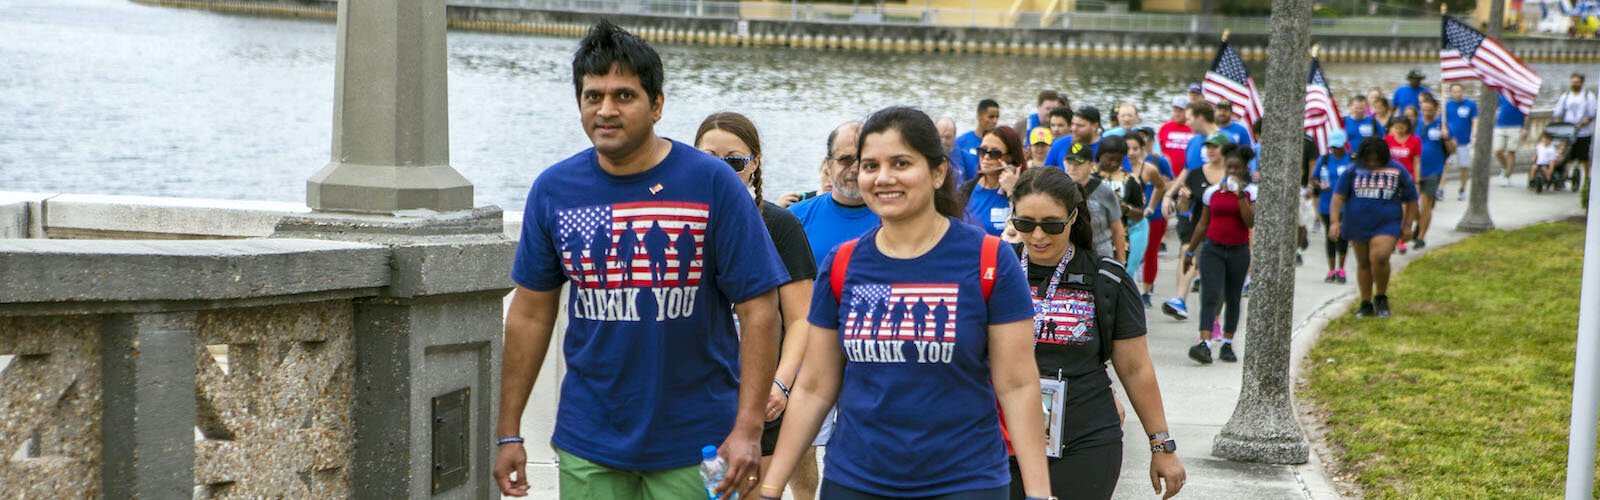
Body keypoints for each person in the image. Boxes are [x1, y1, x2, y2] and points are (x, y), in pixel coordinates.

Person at [495, 22, 786, 499]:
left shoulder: (713, 184)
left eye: (623, 95)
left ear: (656, 105)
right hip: (589, 441)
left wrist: (749, 430)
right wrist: (510, 431)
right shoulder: (554, 191)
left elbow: (760, 310)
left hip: (699, 444)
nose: (606, 110)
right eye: (593, 96)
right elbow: (529, 314)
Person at [760, 106, 1052, 500]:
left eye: (901, 163)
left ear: (937, 172)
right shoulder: (844, 264)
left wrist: (1037, 493)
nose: (883, 178)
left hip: (965, 482)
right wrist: (771, 487)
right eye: (870, 165)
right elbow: (814, 387)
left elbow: (1017, 385)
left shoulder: (989, 259)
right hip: (856, 481)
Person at [1005, 166, 1186, 500]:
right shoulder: (996, 273)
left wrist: (1162, 445)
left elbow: (1135, 368)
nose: (1038, 236)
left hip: (1085, 440)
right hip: (1003, 439)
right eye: (1025, 223)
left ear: (1073, 217)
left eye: (1052, 224)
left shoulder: (1107, 279)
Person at [693, 112, 822, 499]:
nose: (722, 170)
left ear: (754, 164)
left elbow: (801, 319)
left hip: (761, 394)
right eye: (708, 158)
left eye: (734, 160)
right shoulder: (678, 224)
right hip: (696, 392)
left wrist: (780, 384)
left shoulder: (780, 227)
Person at [1180, 143, 1256, 364]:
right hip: (1213, 249)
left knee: (1233, 297)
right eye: (1229, 167)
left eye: (1237, 168)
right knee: (1210, 295)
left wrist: (1239, 196)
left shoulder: (1251, 193)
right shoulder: (1211, 192)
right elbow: (1202, 225)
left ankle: (1228, 343)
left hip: (1238, 251)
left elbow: (1249, 221)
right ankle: (1205, 342)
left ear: (1244, 169)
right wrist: (1190, 252)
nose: (1232, 172)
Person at [1330, 138, 1420, 319]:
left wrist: (1408, 225)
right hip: (1357, 223)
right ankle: (1365, 302)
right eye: (1368, 159)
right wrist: (1334, 222)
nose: (1372, 163)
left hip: (1387, 223)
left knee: (1379, 257)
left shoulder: (1397, 169)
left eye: (1376, 159)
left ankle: (1380, 296)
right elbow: (1338, 197)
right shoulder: (1352, 170)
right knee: (1363, 262)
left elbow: (1411, 199)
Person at [1160, 103, 1223, 321]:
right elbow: (1187, 170)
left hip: (1216, 211)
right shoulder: (1195, 141)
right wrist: (1170, 195)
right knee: (1187, 249)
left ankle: (1213, 323)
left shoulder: (1223, 141)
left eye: (1189, 118)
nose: (1186, 123)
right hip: (1192, 209)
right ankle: (1180, 299)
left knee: (1204, 259)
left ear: (1200, 117)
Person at [791, 122, 879, 267]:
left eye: (865, 161)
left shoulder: (898, 217)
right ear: (828, 165)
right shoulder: (795, 218)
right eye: (846, 160)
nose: (855, 169)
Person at [1127, 131, 1171, 307]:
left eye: (1135, 148)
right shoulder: (1115, 167)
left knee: (1148, 254)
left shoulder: (1149, 168)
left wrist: (1151, 206)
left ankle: (1145, 292)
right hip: (1122, 221)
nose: (1130, 152)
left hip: (1143, 220)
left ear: (1142, 149)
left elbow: (1161, 185)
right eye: (1127, 148)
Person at [1063, 142, 1126, 261]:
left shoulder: (1104, 191)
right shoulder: (1058, 189)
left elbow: (1117, 228)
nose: (1072, 168)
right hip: (1068, 253)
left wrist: (1121, 262)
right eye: (1069, 163)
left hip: (1100, 253)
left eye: (1078, 164)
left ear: (1091, 165)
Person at [961, 125, 1027, 236]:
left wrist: (1012, 191)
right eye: (982, 151)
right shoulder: (967, 189)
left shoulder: (1025, 189)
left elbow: (1025, 227)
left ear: (1010, 157)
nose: (986, 157)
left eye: (995, 153)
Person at [1093, 139, 1145, 270]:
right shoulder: (1089, 176)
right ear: (1100, 155)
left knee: (1113, 277)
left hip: (1119, 239)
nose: (1114, 163)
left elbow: (1140, 214)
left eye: (1119, 160)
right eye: (1109, 159)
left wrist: (1127, 210)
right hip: (1090, 237)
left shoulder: (1130, 180)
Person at [1312, 130, 1354, 284]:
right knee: (1330, 236)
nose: (1335, 150)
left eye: (1338, 146)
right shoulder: (1324, 160)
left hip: (1346, 205)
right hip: (1326, 204)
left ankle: (1341, 269)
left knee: (1342, 236)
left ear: (1344, 145)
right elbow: (1314, 178)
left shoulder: (1351, 159)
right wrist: (1319, 185)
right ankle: (1331, 269)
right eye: (1333, 147)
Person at [1552, 72, 1596, 179]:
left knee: (1584, 157)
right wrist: (1559, 123)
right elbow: (1558, 113)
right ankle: (1563, 176)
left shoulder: (1588, 96)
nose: (1574, 84)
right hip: (1568, 131)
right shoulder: (1566, 96)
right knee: (1565, 155)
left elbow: (1592, 114)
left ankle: (1587, 178)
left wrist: (1583, 123)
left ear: (1581, 83)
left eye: (1577, 82)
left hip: (1583, 132)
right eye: (1573, 82)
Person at [1444, 83, 1479, 201]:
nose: (1457, 94)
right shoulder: (1447, 105)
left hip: (1464, 141)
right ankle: (1440, 188)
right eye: (1454, 91)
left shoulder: (1470, 104)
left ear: (1462, 91)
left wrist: (1473, 135)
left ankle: (1462, 189)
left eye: (1459, 91)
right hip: (1450, 141)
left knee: (1464, 166)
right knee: (1445, 165)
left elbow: (1475, 121)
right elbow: (1443, 122)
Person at [956, 99, 1002, 183]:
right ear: (978, 116)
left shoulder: (1000, 142)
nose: (995, 121)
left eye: (997, 117)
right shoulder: (960, 142)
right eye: (991, 117)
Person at [1492, 94, 1530, 187]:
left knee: (1511, 152)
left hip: (1516, 126)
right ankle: (1505, 168)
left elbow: (1528, 112)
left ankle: (1507, 177)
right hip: (1500, 125)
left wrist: (1525, 128)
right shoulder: (1501, 92)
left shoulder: (1521, 93)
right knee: (1497, 151)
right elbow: (1494, 107)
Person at [1158, 96, 1196, 176]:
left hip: (1189, 176)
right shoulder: (1165, 127)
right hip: (1167, 176)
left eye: (1180, 110)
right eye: (1175, 110)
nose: (1177, 113)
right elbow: (1158, 150)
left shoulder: (1194, 127)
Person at [938, 116, 969, 186]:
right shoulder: (928, 156)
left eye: (947, 137)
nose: (943, 141)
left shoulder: (966, 158)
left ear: (955, 136)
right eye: (940, 137)